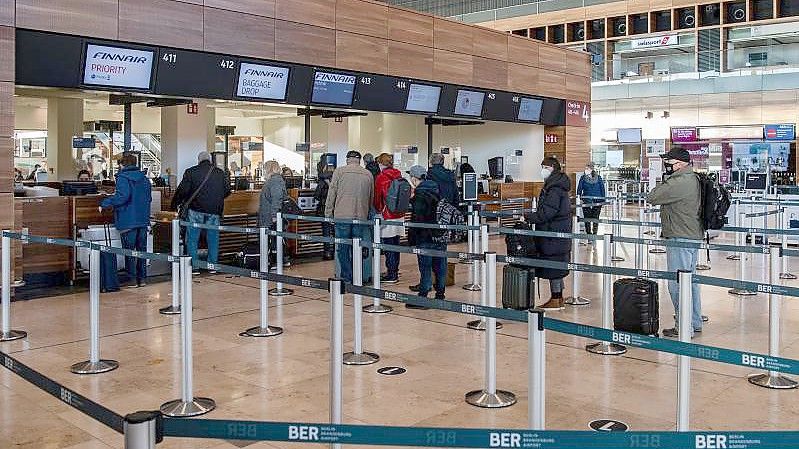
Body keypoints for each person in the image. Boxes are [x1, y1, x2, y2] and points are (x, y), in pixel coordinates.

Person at [647, 148, 703, 339]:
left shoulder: (679, 182)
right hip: (692, 235)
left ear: (679, 164)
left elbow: (653, 196)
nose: (667, 166)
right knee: (691, 282)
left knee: (677, 284)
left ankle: (684, 326)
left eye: (669, 162)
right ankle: (694, 322)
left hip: (680, 236)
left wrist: (665, 180)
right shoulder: (693, 179)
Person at [522, 157, 572, 310]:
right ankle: (558, 297)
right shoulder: (556, 185)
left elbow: (547, 213)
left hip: (553, 233)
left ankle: (556, 299)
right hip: (557, 232)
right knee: (557, 264)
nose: (542, 170)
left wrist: (528, 217)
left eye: (544, 167)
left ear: (551, 168)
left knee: (554, 265)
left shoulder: (555, 189)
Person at [171, 151, 231, 272]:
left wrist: (174, 204)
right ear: (210, 160)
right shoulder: (220, 173)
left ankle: (195, 267)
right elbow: (228, 191)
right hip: (214, 211)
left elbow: (183, 191)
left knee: (192, 238)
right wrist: (216, 200)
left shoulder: (191, 172)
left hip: (195, 210)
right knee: (213, 238)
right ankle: (212, 266)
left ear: (199, 160)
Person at [99, 154, 152, 287]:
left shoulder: (123, 178)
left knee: (129, 251)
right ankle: (143, 279)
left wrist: (105, 203)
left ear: (122, 165)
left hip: (128, 219)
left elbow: (122, 197)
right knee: (141, 251)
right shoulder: (144, 179)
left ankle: (132, 279)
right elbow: (149, 198)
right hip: (143, 219)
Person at [325, 150, 374, 284]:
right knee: (357, 247)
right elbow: (371, 198)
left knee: (343, 248)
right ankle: (358, 276)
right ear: (359, 160)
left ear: (347, 159)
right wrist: (367, 212)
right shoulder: (368, 174)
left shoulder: (339, 172)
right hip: (360, 217)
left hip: (342, 216)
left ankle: (347, 277)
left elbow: (331, 195)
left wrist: (328, 214)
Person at [407, 165, 445, 305]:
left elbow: (418, 217)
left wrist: (412, 237)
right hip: (440, 234)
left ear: (414, 178)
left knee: (425, 266)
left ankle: (423, 295)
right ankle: (440, 294)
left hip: (425, 236)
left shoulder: (420, 193)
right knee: (440, 265)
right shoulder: (436, 188)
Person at [373, 153, 405, 284]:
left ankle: (391, 274)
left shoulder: (381, 177)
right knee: (396, 245)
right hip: (399, 215)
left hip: (387, 215)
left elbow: (377, 198)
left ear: (381, 164)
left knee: (388, 245)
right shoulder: (399, 175)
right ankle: (394, 270)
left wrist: (377, 210)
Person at [576, 162, 606, 236]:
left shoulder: (597, 178)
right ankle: (589, 233)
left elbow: (602, 189)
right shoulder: (584, 178)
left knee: (593, 218)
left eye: (587, 168)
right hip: (588, 201)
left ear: (591, 169)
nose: (586, 170)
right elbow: (579, 188)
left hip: (595, 201)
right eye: (585, 168)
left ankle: (594, 233)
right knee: (588, 218)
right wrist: (578, 197)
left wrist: (603, 200)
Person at [314, 161, 335, 260]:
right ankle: (336, 252)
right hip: (336, 210)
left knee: (326, 232)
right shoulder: (337, 180)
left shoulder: (322, 181)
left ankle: (327, 253)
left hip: (324, 209)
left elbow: (317, 195)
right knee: (335, 232)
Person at [258, 160, 287, 227]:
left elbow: (277, 198)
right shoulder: (274, 180)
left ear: (268, 169)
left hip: (269, 219)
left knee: (269, 236)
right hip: (268, 217)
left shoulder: (275, 181)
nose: (263, 171)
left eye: (264, 168)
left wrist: (274, 216)